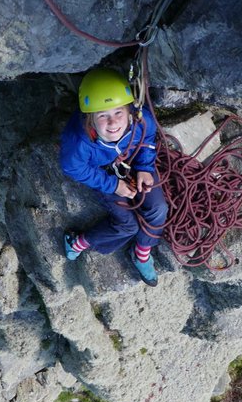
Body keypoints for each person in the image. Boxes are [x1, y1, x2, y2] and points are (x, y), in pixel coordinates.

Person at [59, 69, 167, 287]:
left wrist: (145, 167)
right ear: (90, 119)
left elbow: (147, 137)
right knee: (128, 225)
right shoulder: (79, 143)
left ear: (129, 111)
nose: (113, 122)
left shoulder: (140, 119)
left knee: (158, 208)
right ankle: (79, 242)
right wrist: (114, 185)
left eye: (118, 112)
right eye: (102, 116)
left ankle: (142, 253)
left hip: (133, 162)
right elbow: (74, 168)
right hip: (105, 173)